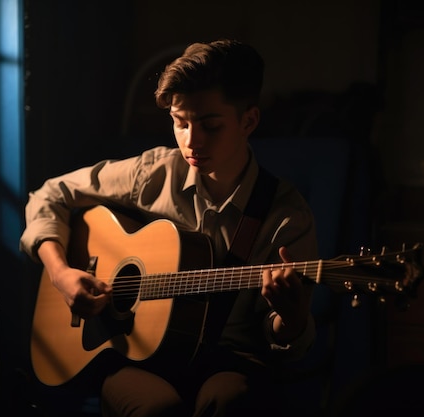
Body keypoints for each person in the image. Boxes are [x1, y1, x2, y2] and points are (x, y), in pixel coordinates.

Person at [20, 39, 318, 417]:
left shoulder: (287, 216)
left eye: (211, 125)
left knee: (228, 402)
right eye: (180, 123)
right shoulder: (153, 173)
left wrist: (290, 320)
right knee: (155, 411)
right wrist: (61, 273)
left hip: (230, 360)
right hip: (135, 355)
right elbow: (50, 194)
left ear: (249, 121)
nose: (191, 141)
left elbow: (287, 340)